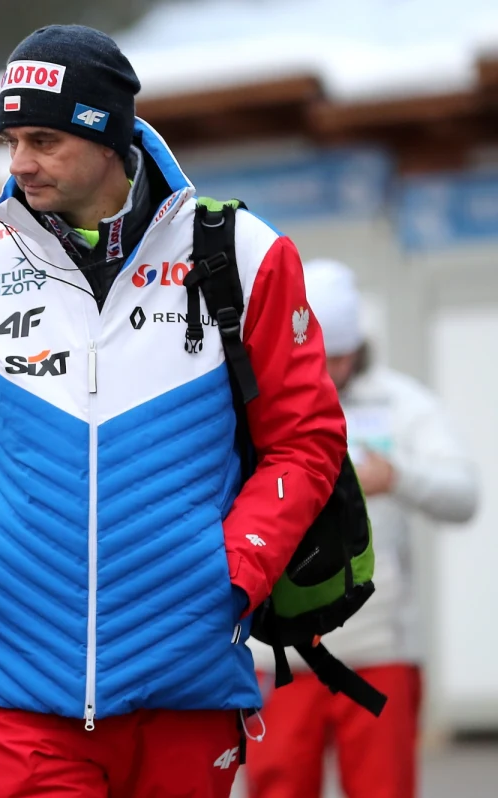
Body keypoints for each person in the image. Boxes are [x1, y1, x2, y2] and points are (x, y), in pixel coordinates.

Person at [0, 25, 347, 797]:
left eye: (43, 140)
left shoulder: (243, 252)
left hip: (186, 677)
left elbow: (307, 441)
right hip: (16, 689)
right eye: (10, 139)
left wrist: (235, 567)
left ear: (109, 137)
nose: (18, 162)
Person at [245, 259, 479, 798]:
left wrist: (399, 477)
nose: (324, 373)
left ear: (356, 350)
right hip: (278, 649)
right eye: (315, 359)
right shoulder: (255, 402)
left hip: (381, 648)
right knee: (277, 786)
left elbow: (464, 497)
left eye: (338, 360)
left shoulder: (401, 403)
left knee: (383, 788)